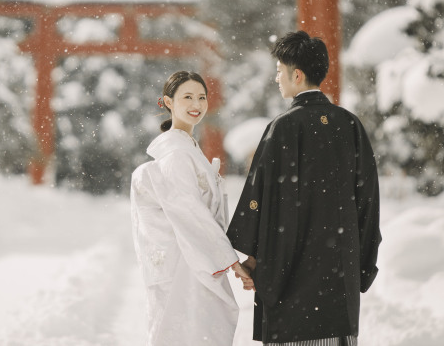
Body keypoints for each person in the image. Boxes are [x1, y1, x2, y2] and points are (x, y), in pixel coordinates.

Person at [227, 31, 382, 346]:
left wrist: (254, 260)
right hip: (340, 280)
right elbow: (368, 203)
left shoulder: (283, 128)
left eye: (279, 71)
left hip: (292, 279)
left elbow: (260, 201)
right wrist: (362, 266)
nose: (276, 79)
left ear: (296, 75)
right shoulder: (350, 125)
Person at [131, 71, 249, 346]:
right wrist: (229, 260)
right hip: (187, 261)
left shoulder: (187, 150)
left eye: (201, 97)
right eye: (187, 97)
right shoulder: (176, 154)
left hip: (193, 257)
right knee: (192, 333)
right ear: (168, 102)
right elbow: (189, 211)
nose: (196, 104)